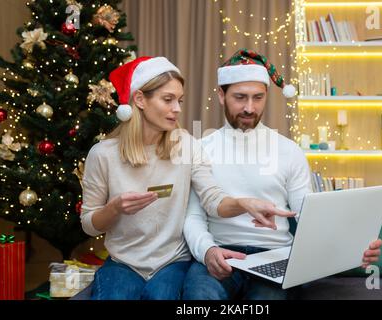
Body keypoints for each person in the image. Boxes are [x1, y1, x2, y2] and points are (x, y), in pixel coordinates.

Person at [80, 56, 295, 300]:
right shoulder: (102, 154)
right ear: (140, 100)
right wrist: (114, 208)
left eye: (179, 100)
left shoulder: (188, 147)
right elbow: (89, 224)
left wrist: (244, 204)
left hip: (172, 262)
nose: (177, 109)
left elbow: (213, 200)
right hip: (122, 262)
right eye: (168, 99)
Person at [182, 49, 382, 300]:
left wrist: (355, 250)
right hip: (222, 252)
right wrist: (208, 250)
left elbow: (310, 218)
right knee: (199, 298)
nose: (249, 108)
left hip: (275, 254)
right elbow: (192, 216)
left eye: (258, 97)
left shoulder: (288, 151)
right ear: (221, 95)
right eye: (240, 97)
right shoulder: (201, 149)